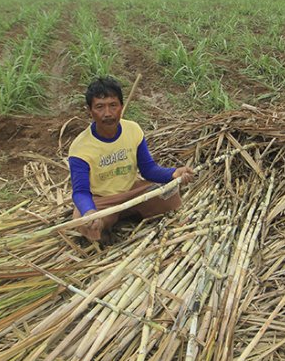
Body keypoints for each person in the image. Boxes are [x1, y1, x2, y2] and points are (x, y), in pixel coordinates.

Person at [68, 76, 195, 242]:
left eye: (113, 105)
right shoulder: (80, 147)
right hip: (102, 200)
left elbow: (148, 169)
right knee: (84, 221)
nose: (107, 113)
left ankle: (123, 214)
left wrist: (174, 173)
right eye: (100, 107)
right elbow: (81, 191)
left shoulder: (133, 130)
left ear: (121, 106)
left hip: (132, 191)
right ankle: (113, 219)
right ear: (90, 111)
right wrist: (89, 211)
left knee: (169, 194)